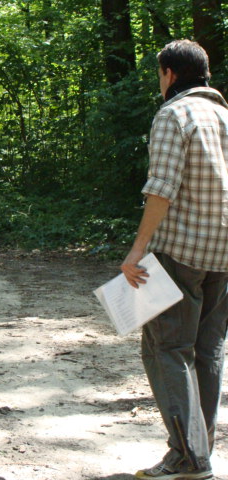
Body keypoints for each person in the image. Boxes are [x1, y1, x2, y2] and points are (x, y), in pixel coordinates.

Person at [121, 39, 228, 480]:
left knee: (166, 347)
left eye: (159, 74)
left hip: (179, 251)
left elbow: (161, 188)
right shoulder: (224, 116)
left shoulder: (173, 114)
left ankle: (188, 457)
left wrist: (137, 249)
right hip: (224, 253)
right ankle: (199, 452)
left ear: (169, 73)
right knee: (208, 351)